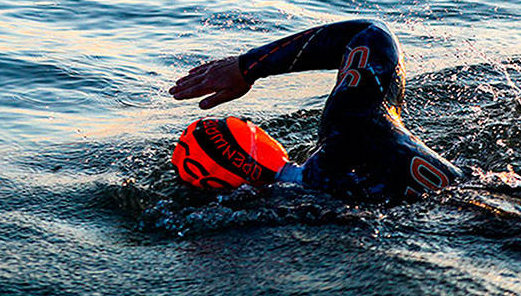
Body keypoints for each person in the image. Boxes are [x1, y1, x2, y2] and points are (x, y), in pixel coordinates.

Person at [169, 19, 461, 203]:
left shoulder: (304, 208)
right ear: (259, 139)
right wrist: (248, 66)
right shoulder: (347, 131)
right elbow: (371, 35)